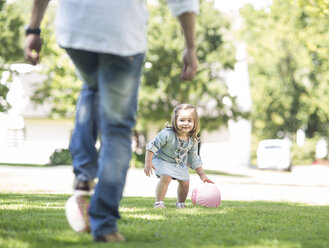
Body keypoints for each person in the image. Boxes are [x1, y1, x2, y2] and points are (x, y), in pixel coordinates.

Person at [24, 0, 199, 243]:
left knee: (92, 86)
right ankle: (104, 223)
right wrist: (190, 46)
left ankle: (84, 174)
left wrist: (33, 29)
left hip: (76, 30)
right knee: (116, 130)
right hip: (121, 34)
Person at [144, 104, 213, 208]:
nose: (186, 123)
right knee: (166, 177)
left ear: (195, 123)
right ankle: (159, 202)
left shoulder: (192, 139)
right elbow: (152, 146)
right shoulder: (167, 134)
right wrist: (148, 162)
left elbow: (194, 158)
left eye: (189, 121)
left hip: (178, 164)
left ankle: (181, 203)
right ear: (175, 121)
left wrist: (202, 175)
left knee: (185, 182)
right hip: (162, 160)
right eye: (182, 120)